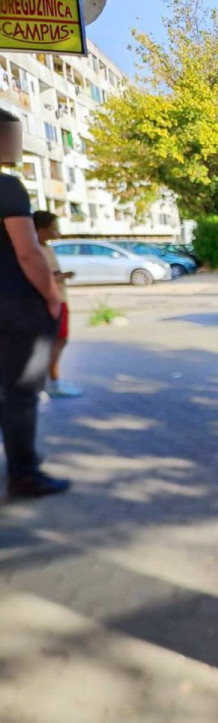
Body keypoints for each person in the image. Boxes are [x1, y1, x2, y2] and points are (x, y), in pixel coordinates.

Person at [0, 109, 70, 498]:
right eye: (12, 136)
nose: (17, 145)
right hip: (16, 309)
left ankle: (20, 458)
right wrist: (52, 296)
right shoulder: (8, 188)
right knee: (23, 392)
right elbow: (28, 253)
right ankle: (23, 474)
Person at [34, 211, 80, 397]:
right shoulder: (33, 250)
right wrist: (63, 276)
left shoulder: (46, 247)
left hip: (60, 299)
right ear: (41, 230)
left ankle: (50, 382)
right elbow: (43, 277)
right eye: (54, 228)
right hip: (51, 302)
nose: (58, 232)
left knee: (59, 341)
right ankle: (50, 383)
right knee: (52, 343)